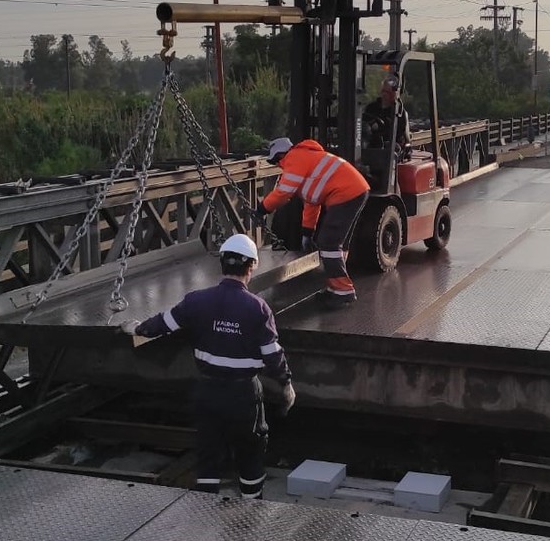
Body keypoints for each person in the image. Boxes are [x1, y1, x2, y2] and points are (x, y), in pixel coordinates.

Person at [125, 234, 296, 499]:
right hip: (243, 396)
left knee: (208, 451)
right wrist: (286, 384)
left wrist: (135, 327)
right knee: (250, 449)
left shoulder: (196, 301)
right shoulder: (257, 309)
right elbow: (272, 355)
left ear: (222, 265)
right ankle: (251, 509)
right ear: (251, 266)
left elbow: (162, 324)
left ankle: (206, 505)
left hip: (207, 391)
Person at [256, 137, 371, 309]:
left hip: (346, 193)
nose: (280, 165)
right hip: (354, 190)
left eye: (277, 161)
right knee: (338, 244)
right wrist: (307, 233)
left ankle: (343, 291)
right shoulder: (307, 159)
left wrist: (262, 209)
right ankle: (335, 287)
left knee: (328, 243)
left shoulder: (295, 158)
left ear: (281, 154)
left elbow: (283, 192)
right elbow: (312, 201)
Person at [361, 75, 410, 157]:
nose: (384, 94)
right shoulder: (371, 107)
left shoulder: (399, 112)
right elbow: (364, 121)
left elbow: (399, 134)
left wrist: (381, 128)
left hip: (389, 144)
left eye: (388, 92)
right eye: (383, 91)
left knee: (386, 148)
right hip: (371, 141)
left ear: (394, 93)